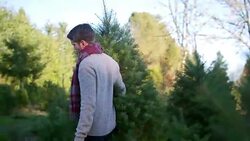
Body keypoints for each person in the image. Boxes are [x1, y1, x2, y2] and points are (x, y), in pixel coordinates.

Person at [67, 23, 126, 141]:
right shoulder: (111, 61)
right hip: (110, 126)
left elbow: (88, 105)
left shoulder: (86, 65)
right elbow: (122, 90)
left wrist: (79, 137)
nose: (74, 48)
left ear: (83, 43)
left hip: (93, 132)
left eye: (74, 45)